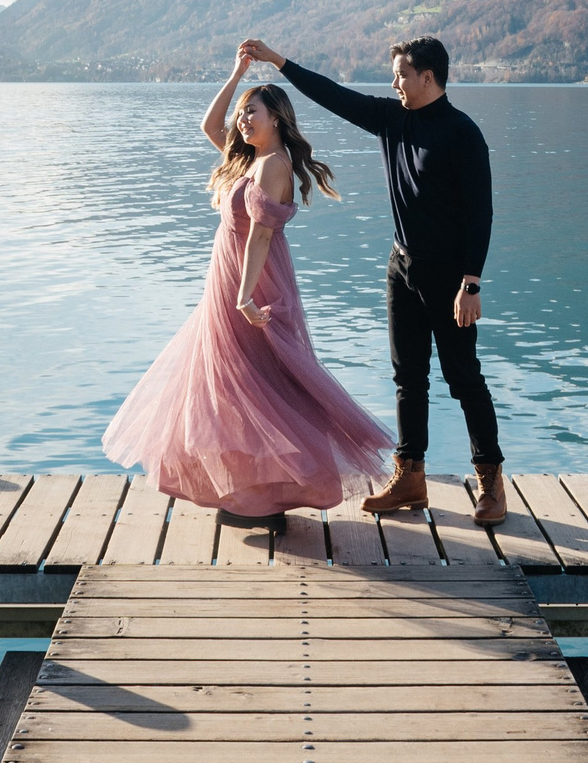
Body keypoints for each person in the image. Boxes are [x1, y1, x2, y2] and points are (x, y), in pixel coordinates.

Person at [101, 47, 392, 516]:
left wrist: (243, 296)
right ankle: (250, 491)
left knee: (265, 383)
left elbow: (260, 235)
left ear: (275, 117)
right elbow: (209, 126)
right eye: (241, 113)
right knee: (237, 385)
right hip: (230, 280)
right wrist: (237, 74)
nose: (241, 120)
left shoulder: (273, 164)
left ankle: (275, 492)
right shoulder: (248, 160)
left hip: (253, 284)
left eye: (251, 112)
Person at [239, 35, 507, 526]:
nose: (395, 82)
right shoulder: (391, 118)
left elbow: (480, 213)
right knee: (408, 378)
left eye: (402, 74)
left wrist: (471, 283)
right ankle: (410, 477)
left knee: (463, 377)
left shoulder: (462, 133)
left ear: (428, 77)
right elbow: (333, 95)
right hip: (402, 268)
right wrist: (277, 61)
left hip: (451, 278)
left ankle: (490, 480)